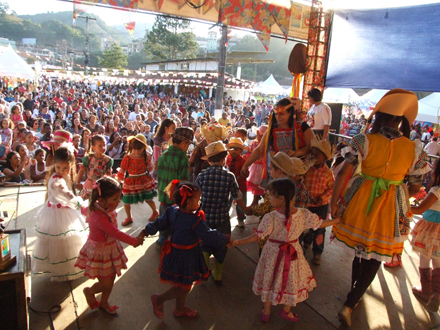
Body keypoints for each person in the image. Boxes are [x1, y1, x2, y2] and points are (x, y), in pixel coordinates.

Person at [330, 89, 430, 326]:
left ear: (379, 117)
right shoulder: (414, 148)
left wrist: (334, 203)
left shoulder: (364, 139)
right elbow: (416, 187)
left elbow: (344, 172)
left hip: (360, 199)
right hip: (392, 203)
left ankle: (352, 297)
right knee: (376, 255)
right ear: (400, 120)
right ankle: (351, 301)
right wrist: (401, 190)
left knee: (360, 249)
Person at [232, 178, 339, 323]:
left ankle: (267, 311)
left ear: (281, 198)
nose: (267, 197)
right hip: (293, 254)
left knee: (270, 279)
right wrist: (337, 221)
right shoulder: (303, 214)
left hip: (272, 253)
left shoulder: (271, 217)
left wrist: (238, 241)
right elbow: (320, 224)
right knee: (292, 280)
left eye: (270, 195)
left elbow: (257, 236)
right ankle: (286, 311)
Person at [138, 180, 230, 319]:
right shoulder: (194, 220)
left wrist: (145, 231)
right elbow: (209, 235)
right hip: (186, 256)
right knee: (185, 285)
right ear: (188, 203)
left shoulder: (172, 210)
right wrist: (225, 239)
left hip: (174, 253)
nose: (200, 203)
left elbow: (159, 223)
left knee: (182, 283)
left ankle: (179, 309)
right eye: (198, 200)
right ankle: (159, 299)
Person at [75, 177, 144, 314]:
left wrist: (79, 205)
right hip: (101, 251)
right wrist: (134, 241)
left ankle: (104, 302)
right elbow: (116, 233)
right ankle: (90, 291)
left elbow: (84, 210)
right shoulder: (99, 217)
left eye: (119, 197)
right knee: (105, 283)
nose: (118, 202)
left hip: (110, 248)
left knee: (110, 279)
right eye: (115, 199)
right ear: (101, 200)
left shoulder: (102, 207)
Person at [32, 144, 88, 281]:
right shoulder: (56, 179)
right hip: (56, 213)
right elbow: (65, 192)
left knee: (68, 240)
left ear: (71, 165)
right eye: (58, 167)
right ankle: (61, 268)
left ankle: (69, 265)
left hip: (63, 210)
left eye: (65, 168)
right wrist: (78, 202)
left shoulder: (64, 177)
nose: (61, 171)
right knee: (59, 239)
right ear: (54, 165)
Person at [196, 141, 248, 283]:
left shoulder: (201, 176)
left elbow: (196, 196)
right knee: (222, 245)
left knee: (204, 244)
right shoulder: (230, 176)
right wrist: (247, 209)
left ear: (209, 160)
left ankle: (205, 269)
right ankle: (217, 274)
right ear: (224, 158)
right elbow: (237, 196)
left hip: (204, 218)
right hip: (223, 219)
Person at [241, 98, 314, 180]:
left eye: (282, 114)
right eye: (276, 114)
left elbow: (312, 147)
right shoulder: (271, 130)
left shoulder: (303, 127)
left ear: (290, 113)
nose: (278, 117)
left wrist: (297, 152)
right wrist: (246, 165)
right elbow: (260, 150)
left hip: (299, 172)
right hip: (278, 173)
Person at [155, 127, 194, 249]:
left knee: (163, 218)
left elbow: (158, 172)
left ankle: (161, 240)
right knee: (174, 220)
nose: (187, 147)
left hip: (162, 194)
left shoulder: (164, 154)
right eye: (188, 144)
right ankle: (172, 242)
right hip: (175, 197)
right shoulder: (183, 157)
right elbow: (183, 181)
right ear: (183, 143)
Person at [410, 158, 440, 312]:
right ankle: (437, 293)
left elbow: (420, 209)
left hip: (430, 228)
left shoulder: (437, 191)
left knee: (424, 257)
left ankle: (426, 291)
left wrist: (404, 207)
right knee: (437, 259)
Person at [303, 139, 334, 264]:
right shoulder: (307, 169)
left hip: (321, 206)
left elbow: (332, 188)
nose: (313, 157)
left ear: (325, 158)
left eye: (317, 155)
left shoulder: (327, 173)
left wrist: (323, 197)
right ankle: (306, 245)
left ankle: (317, 252)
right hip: (307, 204)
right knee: (306, 227)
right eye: (312, 154)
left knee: (319, 229)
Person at [116, 134, 158, 225]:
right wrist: (119, 179)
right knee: (126, 201)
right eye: (134, 149)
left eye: (139, 149)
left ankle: (155, 212)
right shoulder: (127, 157)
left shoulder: (146, 156)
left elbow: (151, 167)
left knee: (148, 198)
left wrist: (151, 169)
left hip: (143, 181)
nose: (136, 151)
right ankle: (128, 217)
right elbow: (122, 169)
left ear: (143, 148)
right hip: (130, 181)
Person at [76, 135, 113, 200]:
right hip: (89, 184)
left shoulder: (107, 160)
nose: (103, 148)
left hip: (101, 185)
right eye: (100, 146)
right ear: (93, 148)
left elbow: (108, 174)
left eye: (104, 145)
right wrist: (77, 183)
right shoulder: (89, 158)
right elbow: (81, 171)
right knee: (88, 201)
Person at [226, 137, 248, 227]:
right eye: (231, 149)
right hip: (228, 186)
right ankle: (225, 216)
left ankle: (241, 219)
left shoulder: (243, 161)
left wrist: (244, 173)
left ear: (240, 151)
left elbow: (246, 174)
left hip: (240, 186)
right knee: (227, 202)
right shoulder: (228, 159)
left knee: (241, 203)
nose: (233, 151)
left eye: (236, 149)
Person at [247, 125, 268, 207]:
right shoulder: (254, 144)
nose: (259, 137)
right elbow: (251, 153)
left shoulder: (266, 146)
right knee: (256, 186)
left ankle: (265, 202)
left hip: (263, 168)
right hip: (255, 167)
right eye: (258, 135)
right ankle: (255, 201)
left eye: (262, 136)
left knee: (263, 186)